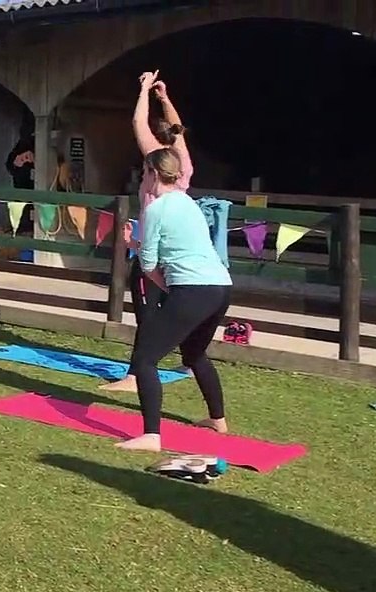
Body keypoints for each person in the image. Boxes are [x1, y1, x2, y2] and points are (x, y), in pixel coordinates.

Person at [115, 147, 231, 453]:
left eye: (144, 173)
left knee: (145, 359)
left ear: (154, 173)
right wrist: (136, 244)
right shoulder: (188, 202)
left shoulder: (156, 209)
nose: (142, 179)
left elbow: (149, 264)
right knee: (194, 353)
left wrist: (167, 287)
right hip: (221, 287)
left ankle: (151, 436)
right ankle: (217, 420)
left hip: (194, 288)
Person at [101, 69, 195, 393]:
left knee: (147, 315)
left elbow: (138, 123)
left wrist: (144, 90)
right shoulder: (183, 163)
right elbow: (178, 129)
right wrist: (164, 98)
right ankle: (192, 360)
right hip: (176, 251)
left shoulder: (157, 163)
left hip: (151, 249)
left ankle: (134, 376)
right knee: (175, 310)